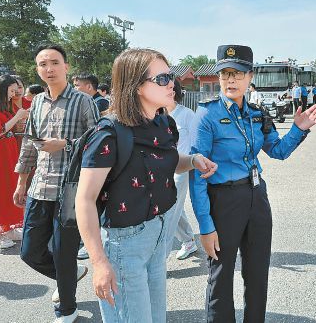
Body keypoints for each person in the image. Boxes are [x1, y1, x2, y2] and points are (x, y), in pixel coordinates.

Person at [75, 48, 217, 323]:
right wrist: (99, 262)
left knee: (155, 317)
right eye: (162, 78)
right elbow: (84, 200)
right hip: (123, 243)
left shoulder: (164, 123)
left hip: (159, 232)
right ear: (136, 86)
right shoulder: (108, 134)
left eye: (171, 76)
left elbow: (167, 161)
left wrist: (193, 160)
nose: (172, 84)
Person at [190, 44, 316, 323]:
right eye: (225, 73)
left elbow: (278, 150)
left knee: (257, 272)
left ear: (250, 77)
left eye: (237, 74)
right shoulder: (207, 115)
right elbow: (197, 174)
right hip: (223, 200)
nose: (231, 80)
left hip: (256, 197)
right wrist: (205, 225)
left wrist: (299, 129)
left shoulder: (257, 114)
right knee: (221, 275)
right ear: (218, 78)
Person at [14, 43, 100, 323]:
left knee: (64, 253)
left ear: (66, 67)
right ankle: (70, 276)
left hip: (72, 188)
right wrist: (21, 181)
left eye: (54, 63)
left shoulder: (83, 101)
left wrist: (63, 144)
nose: (48, 69)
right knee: (29, 251)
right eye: (42, 64)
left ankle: (67, 308)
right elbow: (29, 143)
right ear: (37, 69)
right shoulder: (36, 102)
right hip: (40, 186)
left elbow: (98, 142)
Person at [0, 75, 28, 248]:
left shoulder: (3, 104)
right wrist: (18, 116)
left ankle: (7, 226)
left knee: (8, 186)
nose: (13, 94)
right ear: (2, 89)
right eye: (11, 91)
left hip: (6, 149)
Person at [165, 79, 199, 260]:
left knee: (169, 211)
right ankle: (188, 240)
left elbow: (196, 144)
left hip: (181, 170)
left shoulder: (186, 114)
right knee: (174, 208)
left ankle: (159, 258)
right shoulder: (157, 114)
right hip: (161, 169)